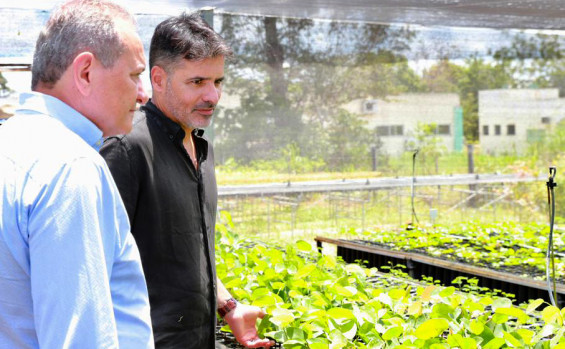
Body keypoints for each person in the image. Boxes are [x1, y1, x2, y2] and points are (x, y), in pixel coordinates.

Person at [100, 12, 274, 349]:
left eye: (218, 82)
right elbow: (94, 267)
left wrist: (229, 308)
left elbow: (190, 253)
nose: (213, 96)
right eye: (197, 82)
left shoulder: (200, 149)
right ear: (159, 79)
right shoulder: (127, 148)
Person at [0, 0, 153, 348]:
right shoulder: (70, 167)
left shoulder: (9, 146)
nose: (143, 94)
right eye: (134, 75)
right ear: (85, 72)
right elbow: (79, 340)